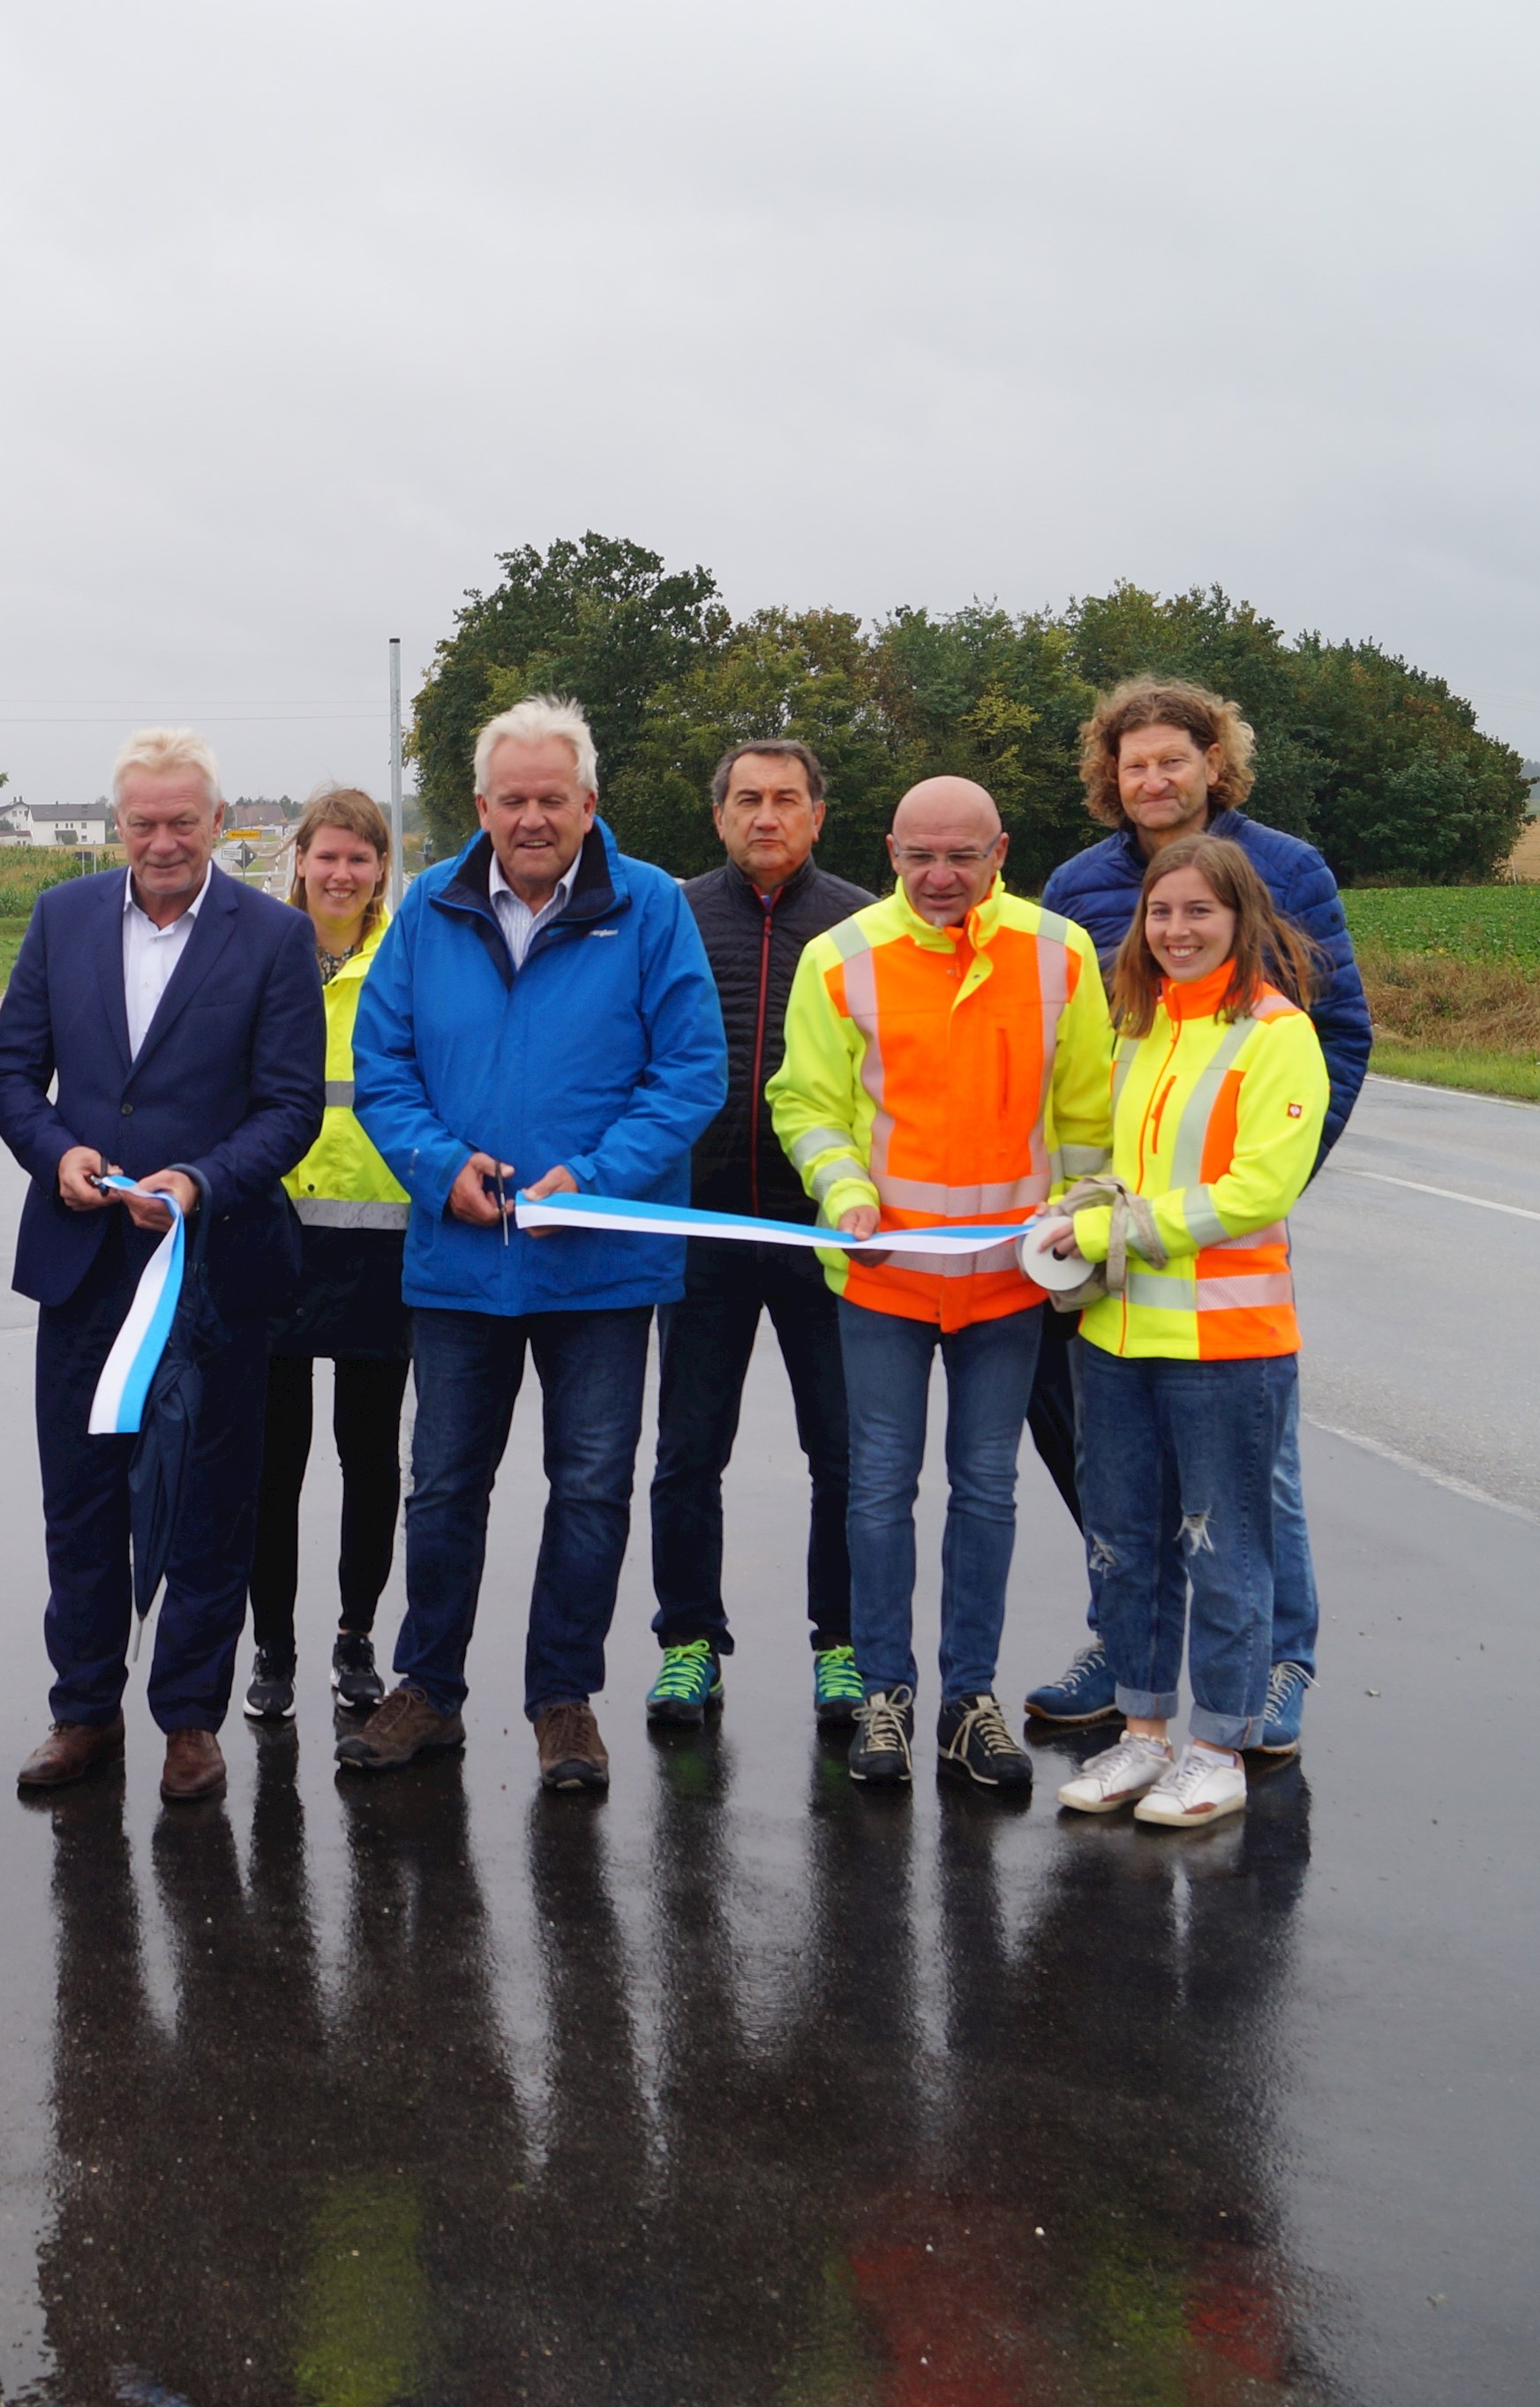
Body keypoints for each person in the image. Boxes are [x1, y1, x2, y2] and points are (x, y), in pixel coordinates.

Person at [340, 696, 729, 1794]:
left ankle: (564, 1700)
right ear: (478, 805)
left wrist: (594, 1180)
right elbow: (386, 1066)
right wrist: (435, 1164)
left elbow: (689, 1073)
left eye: (551, 798)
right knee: (443, 1487)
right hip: (459, 1260)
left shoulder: (649, 906)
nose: (531, 817)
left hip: (597, 1262)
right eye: (510, 799)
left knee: (592, 1486)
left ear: (588, 802)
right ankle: (425, 1690)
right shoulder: (425, 908)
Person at [1022, 677, 1370, 1757]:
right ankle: (1128, 1653)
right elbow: (1063, 1052)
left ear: (1216, 762)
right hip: (1103, 1238)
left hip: (1218, 1233)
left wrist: (1257, 1189)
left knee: (1247, 1477)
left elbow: (1340, 1032)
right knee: (1114, 1469)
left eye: (1175, 757)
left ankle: (1275, 1663)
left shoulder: (1287, 871)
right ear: (1108, 775)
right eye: (1133, 763)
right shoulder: (1077, 885)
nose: (1154, 778)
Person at [0, 727, 324, 1802]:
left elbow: (290, 1107)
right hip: (83, 1263)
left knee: (212, 1503)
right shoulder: (60, 918)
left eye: (184, 820)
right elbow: (8, 1078)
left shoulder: (272, 936)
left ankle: (188, 1720)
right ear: (117, 823)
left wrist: (197, 1182)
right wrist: (58, 1155)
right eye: (144, 821)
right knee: (79, 1503)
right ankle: (82, 1710)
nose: (163, 840)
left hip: (214, 1270)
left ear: (219, 823)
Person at [768, 774, 1112, 1795]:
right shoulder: (839, 959)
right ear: (889, 850)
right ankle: (885, 1694)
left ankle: (969, 1700)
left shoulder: (1060, 951)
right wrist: (842, 1193)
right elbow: (809, 1105)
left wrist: (1079, 1231)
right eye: (920, 856)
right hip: (883, 1277)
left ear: (1000, 851)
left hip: (1006, 1281)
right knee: (877, 1489)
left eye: (962, 856)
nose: (940, 876)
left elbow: (1085, 1107)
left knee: (988, 1490)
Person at [1040, 834, 1327, 1829]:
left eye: (1198, 912)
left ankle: (1218, 1747)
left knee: (1225, 1551)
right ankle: (1142, 1732)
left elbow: (1258, 1189)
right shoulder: (1136, 1027)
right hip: (1116, 1339)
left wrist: (1119, 1229)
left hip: (1228, 1348)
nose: (1176, 930)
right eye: (1161, 913)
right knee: (1124, 1546)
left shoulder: (1277, 1033)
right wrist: (1061, 1216)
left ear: (1242, 919)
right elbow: (1096, 1156)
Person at [645, 739, 880, 1735]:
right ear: (719, 815)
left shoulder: (867, 924)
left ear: (819, 815)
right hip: (698, 1224)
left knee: (843, 1448)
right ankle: (689, 1641)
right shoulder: (674, 917)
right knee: (689, 1450)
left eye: (787, 799)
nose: (766, 816)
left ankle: (843, 1644)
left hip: (824, 1228)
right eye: (747, 798)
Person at [251, 786, 415, 1724]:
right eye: (327, 857)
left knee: (368, 1455)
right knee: (274, 1462)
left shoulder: (410, 958)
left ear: (380, 869)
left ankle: (355, 1638)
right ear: (299, 862)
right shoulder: (260, 955)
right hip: (272, 1235)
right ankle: (272, 1643)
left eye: (360, 858)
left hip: (379, 1243)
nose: (342, 874)